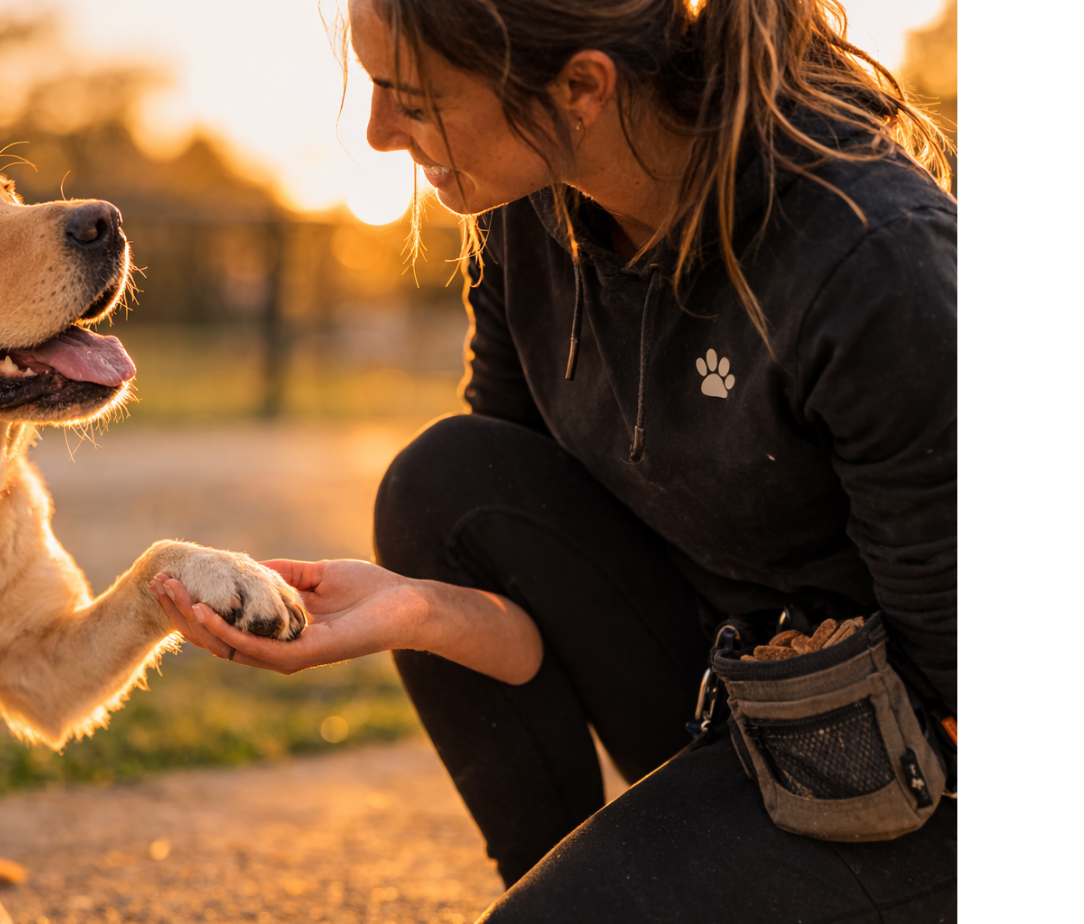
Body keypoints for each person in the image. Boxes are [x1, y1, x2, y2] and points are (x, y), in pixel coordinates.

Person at [154, 0, 960, 919]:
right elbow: (527, 570)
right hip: (735, 689)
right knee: (449, 482)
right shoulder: (531, 215)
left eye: (410, 100)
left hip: (922, 764)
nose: (378, 134)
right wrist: (419, 610)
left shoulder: (875, 262)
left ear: (581, 86)